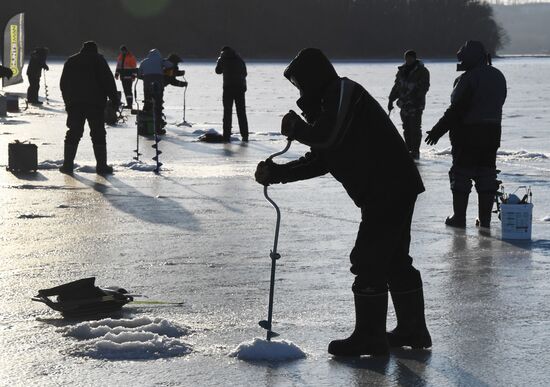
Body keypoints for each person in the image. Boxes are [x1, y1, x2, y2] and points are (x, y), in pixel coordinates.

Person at [255, 48, 431, 357]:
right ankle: (412, 329)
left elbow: (327, 136)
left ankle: (370, 337)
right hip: (391, 187)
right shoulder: (329, 103)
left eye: (300, 83)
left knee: (368, 259)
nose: (299, 90)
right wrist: (278, 173)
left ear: (313, 75)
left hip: (388, 187)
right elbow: (322, 158)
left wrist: (298, 129)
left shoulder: (343, 91)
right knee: (393, 260)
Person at [425, 41, 507, 229]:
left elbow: (457, 110)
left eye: (462, 58)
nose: (460, 61)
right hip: (492, 134)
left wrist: (437, 131)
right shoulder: (498, 76)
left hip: (468, 134)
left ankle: (459, 218)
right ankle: (484, 220)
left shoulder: (468, 79)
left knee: (461, 175)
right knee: (486, 175)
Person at [59, 41, 120, 175]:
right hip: (95, 104)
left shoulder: (71, 61)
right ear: (95, 50)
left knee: (73, 133)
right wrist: (115, 100)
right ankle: (101, 166)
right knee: (98, 133)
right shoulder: (99, 60)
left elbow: (63, 84)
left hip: (75, 104)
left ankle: (67, 165)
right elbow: (108, 81)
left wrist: (68, 102)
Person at [388, 50, 430, 160]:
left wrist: (418, 98)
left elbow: (425, 86)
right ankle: (408, 149)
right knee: (406, 128)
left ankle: (415, 151)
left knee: (415, 128)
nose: (408, 60)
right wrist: (391, 99)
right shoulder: (402, 71)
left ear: (415, 58)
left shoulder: (422, 71)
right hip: (404, 105)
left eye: (410, 58)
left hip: (416, 105)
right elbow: (397, 86)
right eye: (407, 58)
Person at [215, 46, 248, 142]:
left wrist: (219, 62)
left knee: (227, 113)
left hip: (228, 88)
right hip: (240, 88)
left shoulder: (222, 59)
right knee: (241, 112)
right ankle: (245, 135)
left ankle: (226, 136)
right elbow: (245, 73)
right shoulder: (239, 59)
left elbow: (218, 71)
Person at [138, 49, 165, 134]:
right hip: (158, 86)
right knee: (158, 106)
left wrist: (145, 77)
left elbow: (139, 74)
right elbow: (169, 65)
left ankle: (145, 126)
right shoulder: (161, 60)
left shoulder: (144, 62)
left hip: (147, 87)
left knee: (148, 104)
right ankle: (158, 128)